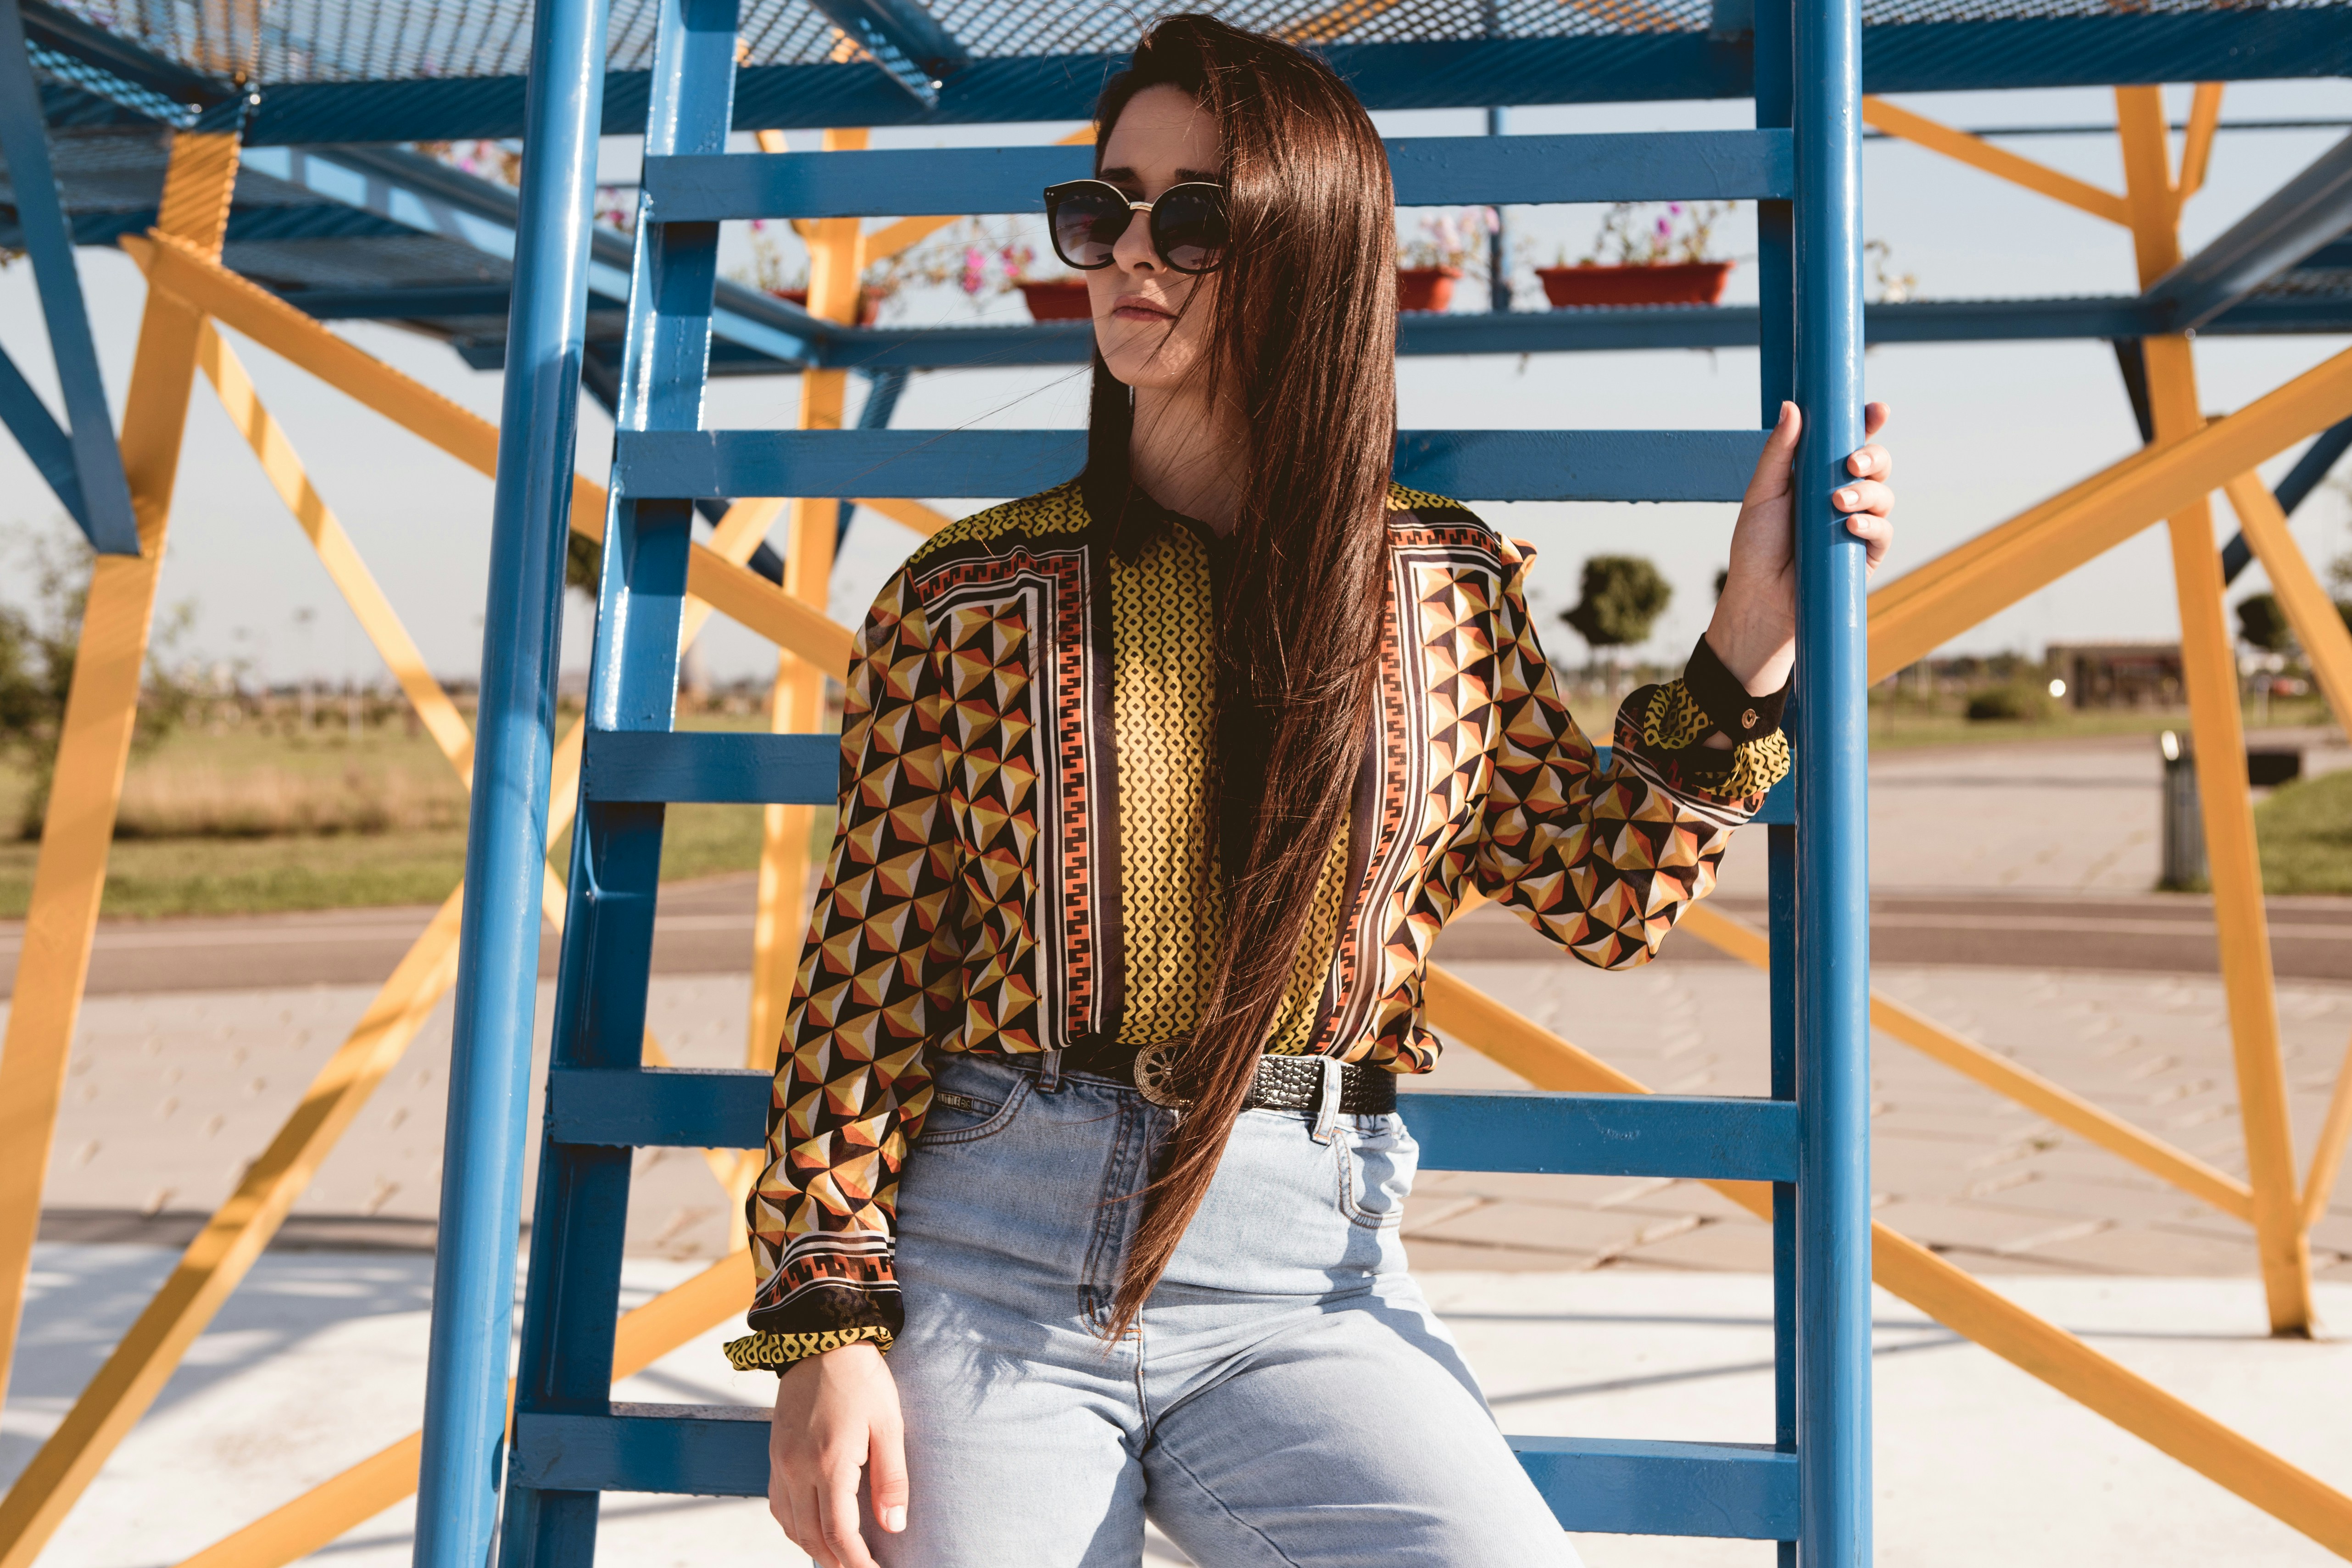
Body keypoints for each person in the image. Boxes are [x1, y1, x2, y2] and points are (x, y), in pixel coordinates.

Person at [728, 15, 1895, 1567]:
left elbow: (1609, 893)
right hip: (993, 1265)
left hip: (1309, 1276)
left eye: (1194, 215)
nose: (1131, 249)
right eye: (1105, 208)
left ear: (1315, 252)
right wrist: (820, 1328)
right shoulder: (966, 597)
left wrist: (1751, 635)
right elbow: (859, 990)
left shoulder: (1446, 589)